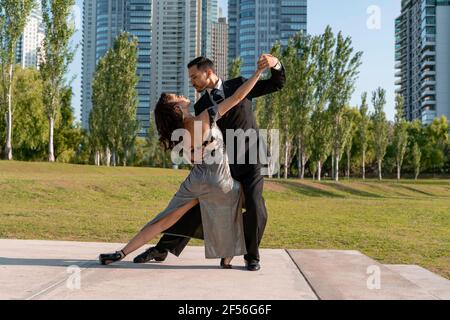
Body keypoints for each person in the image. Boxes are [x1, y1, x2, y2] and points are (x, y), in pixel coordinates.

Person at [98, 60, 269, 266]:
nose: (182, 94)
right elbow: (238, 97)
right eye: (177, 98)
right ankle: (227, 258)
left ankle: (121, 253)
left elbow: (194, 158)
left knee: (162, 219)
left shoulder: (179, 135)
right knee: (250, 208)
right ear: (177, 108)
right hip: (221, 181)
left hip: (195, 181)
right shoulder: (205, 117)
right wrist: (258, 72)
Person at [133, 55, 285, 271]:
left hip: (252, 159)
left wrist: (275, 64)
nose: (192, 82)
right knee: (198, 208)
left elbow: (276, 84)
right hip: (223, 165)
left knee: (256, 206)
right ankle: (162, 248)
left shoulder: (240, 84)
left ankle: (251, 257)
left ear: (208, 72)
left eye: (195, 76)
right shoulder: (201, 105)